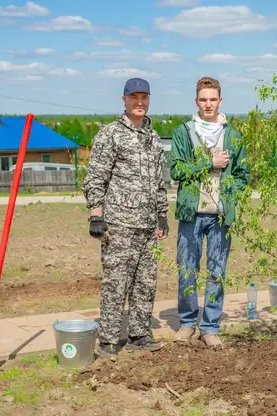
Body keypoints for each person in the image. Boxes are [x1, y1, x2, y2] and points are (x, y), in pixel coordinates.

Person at [83, 77, 170, 358]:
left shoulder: (153, 138)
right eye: (134, 97)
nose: (140, 102)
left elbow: (159, 182)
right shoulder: (110, 134)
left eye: (144, 97)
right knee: (116, 282)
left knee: (146, 282)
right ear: (124, 100)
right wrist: (96, 216)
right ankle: (108, 340)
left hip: (147, 225)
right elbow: (95, 178)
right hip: (119, 224)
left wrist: (162, 216)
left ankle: (139, 334)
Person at [170, 77, 250, 349]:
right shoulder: (184, 132)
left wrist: (230, 195)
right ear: (196, 102)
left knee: (216, 271)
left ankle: (210, 327)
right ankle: (187, 323)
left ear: (220, 101)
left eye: (212, 99)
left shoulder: (233, 135)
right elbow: (176, 170)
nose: (208, 104)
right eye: (203, 99)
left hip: (219, 216)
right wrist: (209, 162)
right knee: (187, 271)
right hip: (191, 212)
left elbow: (242, 173)